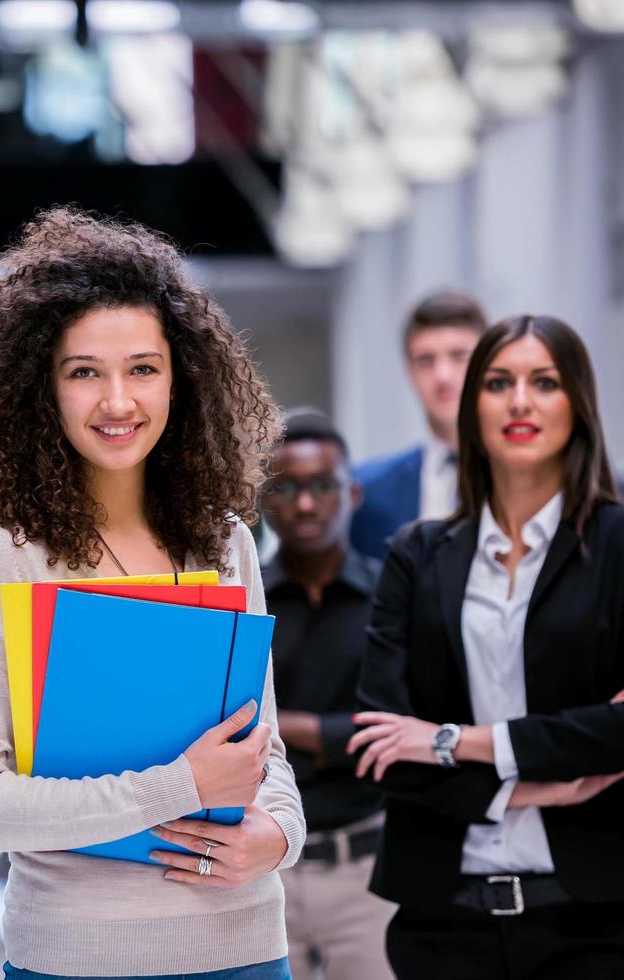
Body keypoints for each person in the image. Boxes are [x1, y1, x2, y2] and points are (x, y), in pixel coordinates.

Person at [0, 207, 305, 980]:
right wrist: (179, 787)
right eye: (82, 373)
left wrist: (281, 836)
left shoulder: (221, 540)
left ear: (182, 379)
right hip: (77, 957)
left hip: (243, 946)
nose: (117, 402)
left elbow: (263, 745)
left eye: (142, 368)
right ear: (40, 390)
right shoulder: (3, 561)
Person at [349, 315, 624, 979]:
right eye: (497, 383)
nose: (519, 401)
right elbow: (383, 751)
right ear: (471, 408)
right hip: (442, 928)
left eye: (543, 382)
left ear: (577, 403)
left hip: (593, 926)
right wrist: (532, 791)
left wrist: (451, 741)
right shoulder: (414, 556)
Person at [259, 409, 395, 980]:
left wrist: (281, 724)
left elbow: (405, 725)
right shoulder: (243, 602)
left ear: (353, 493)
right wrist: (337, 732)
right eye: (286, 487)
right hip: (262, 867)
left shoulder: (394, 597)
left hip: (366, 871)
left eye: (322, 486)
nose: (306, 504)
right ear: (264, 499)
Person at [350, 290, 486, 559]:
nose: (442, 376)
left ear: (488, 362)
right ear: (409, 370)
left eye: (459, 356)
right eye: (426, 360)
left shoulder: (533, 482)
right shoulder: (365, 492)